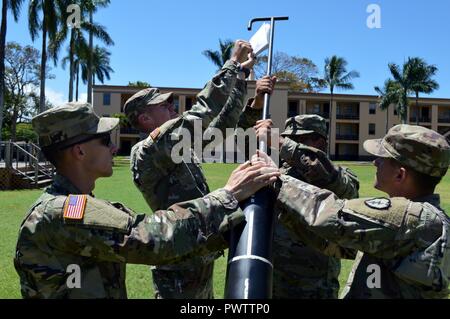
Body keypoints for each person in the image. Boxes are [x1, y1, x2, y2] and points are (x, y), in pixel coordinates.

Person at [13, 102, 280, 299]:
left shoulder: (69, 205)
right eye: (105, 140)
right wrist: (228, 196)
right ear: (80, 151)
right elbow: (152, 238)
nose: (115, 147)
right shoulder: (63, 212)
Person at [125, 40, 275, 299]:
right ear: (145, 119)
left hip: (198, 251)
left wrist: (246, 88)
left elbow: (224, 126)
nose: (173, 108)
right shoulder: (147, 151)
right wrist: (232, 65)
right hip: (178, 263)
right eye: (165, 106)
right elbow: (202, 112)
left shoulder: (175, 146)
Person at [256, 124, 450, 298]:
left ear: (400, 174)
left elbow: (329, 214)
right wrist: (285, 212)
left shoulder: (408, 217)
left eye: (382, 158)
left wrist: (274, 177)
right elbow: (337, 244)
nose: (375, 162)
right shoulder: (428, 220)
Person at [254, 114, 359, 298]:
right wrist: (255, 107)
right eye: (290, 139)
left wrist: (281, 142)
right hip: (274, 278)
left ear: (320, 142)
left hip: (312, 285)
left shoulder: (336, 175)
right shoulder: (277, 170)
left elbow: (332, 179)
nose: (291, 144)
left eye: (300, 140)